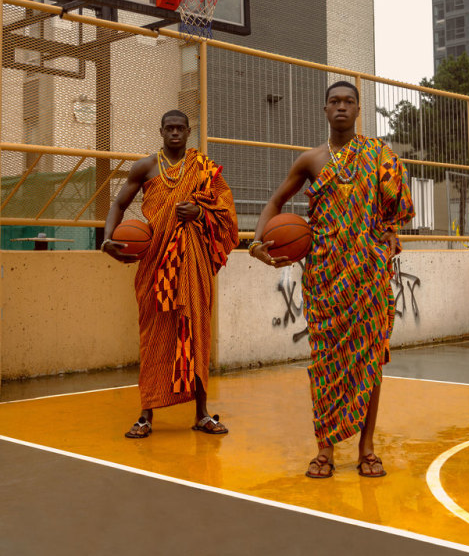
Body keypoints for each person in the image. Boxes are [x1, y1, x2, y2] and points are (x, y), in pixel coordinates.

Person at [250, 82, 414, 478]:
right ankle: (324, 449)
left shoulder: (379, 157)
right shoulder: (310, 160)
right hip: (324, 278)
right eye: (334, 102)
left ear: (359, 110)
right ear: (324, 109)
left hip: (369, 274)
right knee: (324, 362)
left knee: (369, 360)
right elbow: (276, 202)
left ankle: (367, 448)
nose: (341, 107)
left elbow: (397, 210)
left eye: (349, 102)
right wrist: (257, 240)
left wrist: (389, 235)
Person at [102, 110, 239, 438]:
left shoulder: (203, 167)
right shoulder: (145, 167)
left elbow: (226, 211)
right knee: (152, 336)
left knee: (198, 332)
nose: (175, 133)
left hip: (194, 261)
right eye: (169, 128)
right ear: (161, 131)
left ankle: (202, 413)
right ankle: (146, 414)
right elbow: (118, 205)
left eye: (180, 128)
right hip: (155, 262)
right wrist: (107, 237)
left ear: (188, 132)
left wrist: (200, 211)